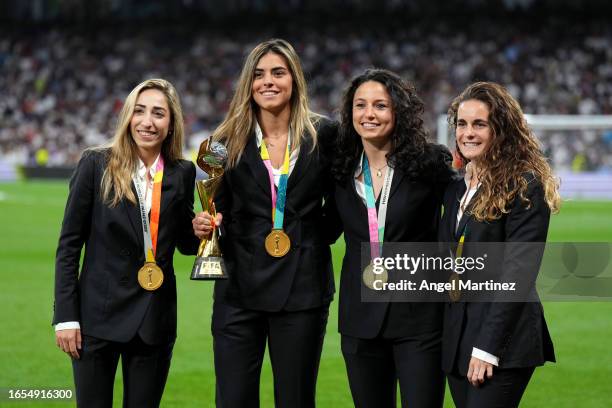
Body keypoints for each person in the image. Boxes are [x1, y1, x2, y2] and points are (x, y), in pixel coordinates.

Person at [192, 39, 337, 408]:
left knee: (295, 399)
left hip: (303, 288)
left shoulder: (327, 135)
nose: (267, 81)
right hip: (239, 290)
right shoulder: (220, 143)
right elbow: (214, 205)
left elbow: (338, 211)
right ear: (247, 83)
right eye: (258, 74)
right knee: (234, 400)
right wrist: (207, 224)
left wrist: (303, 239)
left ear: (294, 79)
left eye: (278, 72)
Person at [53, 78, 200, 407]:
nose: (148, 121)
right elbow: (68, 246)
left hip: (153, 320)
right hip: (96, 318)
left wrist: (201, 231)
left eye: (159, 113)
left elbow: (185, 244)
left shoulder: (182, 172)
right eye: (140, 111)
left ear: (172, 122)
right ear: (127, 117)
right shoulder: (96, 164)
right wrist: (66, 317)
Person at [330, 68, 453, 407]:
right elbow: (323, 227)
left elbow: (466, 217)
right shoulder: (339, 167)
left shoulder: (430, 162)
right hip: (360, 320)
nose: (369, 114)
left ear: (399, 111)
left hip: (420, 319)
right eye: (360, 105)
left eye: (380, 106)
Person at [441, 81, 560, 408]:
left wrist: (486, 348)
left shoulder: (524, 186)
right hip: (458, 339)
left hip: (502, 344)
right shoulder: (454, 189)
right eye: (462, 124)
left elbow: (518, 276)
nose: (468, 133)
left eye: (480, 124)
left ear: (501, 129)